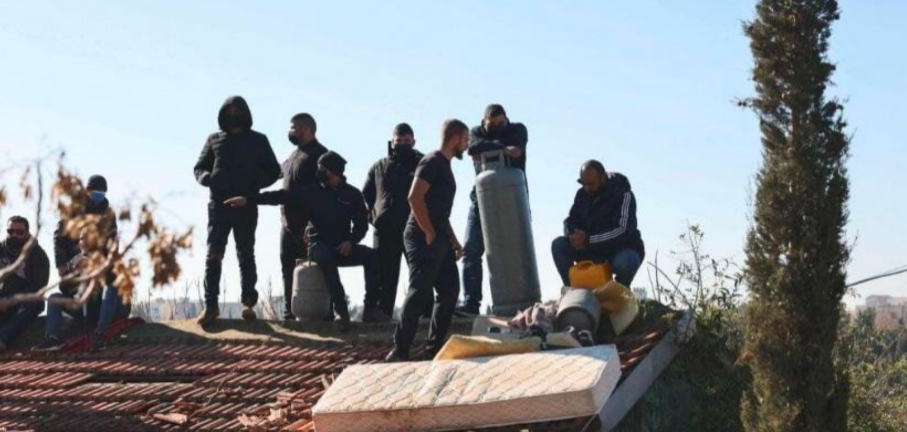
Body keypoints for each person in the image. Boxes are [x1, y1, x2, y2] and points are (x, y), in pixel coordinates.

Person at [225, 151, 387, 330]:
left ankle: (371, 309)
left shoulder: (353, 195)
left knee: (372, 256)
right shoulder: (312, 191)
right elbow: (281, 196)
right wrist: (248, 200)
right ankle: (341, 311)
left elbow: (361, 226)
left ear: (335, 172)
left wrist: (350, 241)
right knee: (326, 257)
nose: (319, 171)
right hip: (318, 245)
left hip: (342, 246)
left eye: (323, 169)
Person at [193, 96, 281, 325]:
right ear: (223, 113)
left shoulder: (259, 140)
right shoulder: (214, 139)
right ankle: (210, 306)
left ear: (245, 112)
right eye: (229, 110)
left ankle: (248, 304)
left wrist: (252, 188)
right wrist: (207, 179)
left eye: (237, 110)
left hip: (246, 205)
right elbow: (199, 167)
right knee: (214, 255)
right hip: (218, 206)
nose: (233, 114)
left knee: (245, 253)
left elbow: (273, 171)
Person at [386, 119, 469, 362]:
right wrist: (429, 233)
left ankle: (433, 350)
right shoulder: (432, 161)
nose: (466, 145)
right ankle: (399, 350)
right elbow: (414, 198)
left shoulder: (444, 165)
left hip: (439, 236)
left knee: (449, 291)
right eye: (465, 140)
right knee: (420, 291)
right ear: (455, 138)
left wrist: (453, 240)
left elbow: (439, 211)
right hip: (422, 236)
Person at [455, 104, 529, 317]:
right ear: (484, 123)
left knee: (515, 251)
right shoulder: (475, 132)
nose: (498, 127)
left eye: (501, 124)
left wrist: (490, 147)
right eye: (492, 125)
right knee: (471, 250)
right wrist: (504, 148)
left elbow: (518, 149)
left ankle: (521, 301)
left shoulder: (518, 129)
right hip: (480, 200)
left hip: (513, 199)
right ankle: (471, 303)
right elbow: (472, 148)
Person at [362, 123, 426, 317]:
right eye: (399, 141)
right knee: (385, 277)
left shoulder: (423, 164)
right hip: (385, 230)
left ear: (413, 142)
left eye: (407, 141)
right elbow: (366, 194)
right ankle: (382, 315)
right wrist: (374, 216)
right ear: (392, 142)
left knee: (420, 274)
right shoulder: (379, 166)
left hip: (414, 228)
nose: (403, 144)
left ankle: (426, 315)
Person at [551, 160, 645, 288]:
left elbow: (622, 230)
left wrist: (589, 240)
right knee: (559, 245)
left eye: (591, 184)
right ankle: (573, 289)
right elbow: (571, 219)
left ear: (603, 178)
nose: (587, 188)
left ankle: (619, 291)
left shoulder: (623, 194)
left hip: (617, 250)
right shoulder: (582, 195)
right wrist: (573, 235)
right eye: (583, 184)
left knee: (628, 260)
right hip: (590, 251)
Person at [33, 230, 130, 352]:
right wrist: (75, 274)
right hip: (89, 310)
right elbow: (64, 288)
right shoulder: (75, 261)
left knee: (110, 286)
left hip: (114, 309)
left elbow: (118, 282)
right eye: (82, 238)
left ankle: (100, 334)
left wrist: (94, 268)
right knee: (54, 297)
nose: (85, 242)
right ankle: (53, 338)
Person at [278, 113, 328, 321]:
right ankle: (290, 313)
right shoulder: (292, 156)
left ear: (307, 128)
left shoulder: (321, 155)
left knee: (317, 270)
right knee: (288, 267)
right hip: (287, 224)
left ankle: (325, 316)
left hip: (310, 226)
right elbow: (275, 175)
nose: (291, 131)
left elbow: (325, 193)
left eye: (294, 128)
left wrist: (311, 224)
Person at [0, 216, 50, 351]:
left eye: (19, 232)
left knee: (35, 302)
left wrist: (12, 300)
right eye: (10, 232)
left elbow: (39, 287)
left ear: (27, 233)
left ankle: (2, 338)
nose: (14, 235)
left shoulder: (38, 255)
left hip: (25, 301)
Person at [54, 175, 116, 278]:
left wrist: (111, 262)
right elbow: (59, 237)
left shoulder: (108, 214)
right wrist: (60, 265)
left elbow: (113, 239)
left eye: (102, 194)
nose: (99, 197)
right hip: (75, 258)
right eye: (96, 193)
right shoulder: (74, 209)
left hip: (100, 259)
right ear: (87, 191)